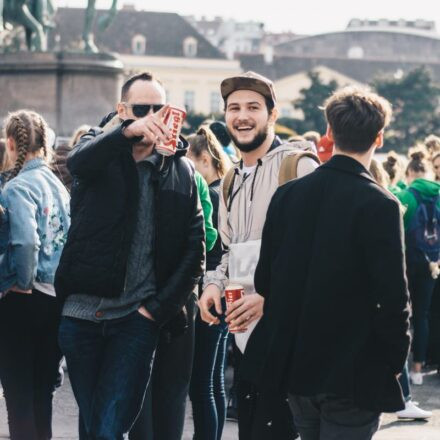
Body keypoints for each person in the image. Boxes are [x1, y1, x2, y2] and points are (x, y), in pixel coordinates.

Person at [242, 87, 411, 440]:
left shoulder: (288, 195)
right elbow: (393, 297)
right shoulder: (380, 204)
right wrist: (393, 362)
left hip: (298, 362)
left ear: (329, 133)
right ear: (379, 138)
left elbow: (266, 280)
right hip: (354, 367)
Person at [55, 71, 205, 440]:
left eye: (159, 108)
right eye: (141, 109)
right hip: (82, 315)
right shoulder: (98, 147)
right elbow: (77, 164)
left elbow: (195, 250)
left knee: (108, 430)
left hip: (136, 320)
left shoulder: (180, 170)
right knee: (94, 428)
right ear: (123, 110)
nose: (152, 116)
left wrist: (154, 310)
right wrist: (124, 134)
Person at [199, 71, 320, 440]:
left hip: (287, 335)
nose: (243, 115)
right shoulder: (232, 178)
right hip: (243, 333)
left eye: (253, 106)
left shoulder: (298, 167)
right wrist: (213, 285)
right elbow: (228, 251)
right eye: (234, 108)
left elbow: (316, 256)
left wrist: (269, 298)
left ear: (272, 114)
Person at [0, 110, 70, 440]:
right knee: (43, 393)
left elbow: (25, 240)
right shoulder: (58, 186)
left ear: (10, 143)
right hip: (57, 297)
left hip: (23, 299)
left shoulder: (17, 188)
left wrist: (23, 282)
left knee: (18, 396)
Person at [369, 159, 432, 420]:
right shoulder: (389, 200)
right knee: (409, 324)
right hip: (420, 266)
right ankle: (404, 396)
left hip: (365, 287)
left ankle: (402, 396)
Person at [187, 126, 231, 440]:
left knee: (201, 384)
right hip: (223, 290)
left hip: (209, 291)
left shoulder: (211, 195)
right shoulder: (226, 190)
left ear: (204, 160)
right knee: (213, 381)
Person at [395, 147, 440, 386]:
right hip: (432, 264)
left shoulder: (405, 196)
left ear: (410, 172)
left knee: (405, 315)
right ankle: (419, 368)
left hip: (406, 264)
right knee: (425, 315)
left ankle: (402, 371)